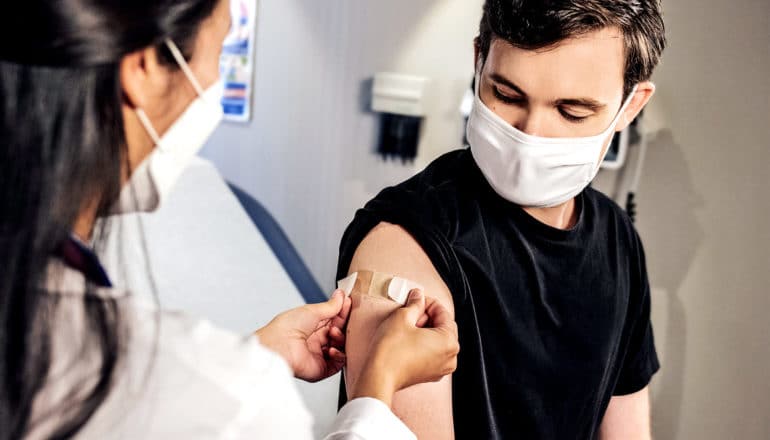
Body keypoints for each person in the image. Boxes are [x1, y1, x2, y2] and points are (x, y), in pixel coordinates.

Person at [0, 1, 459, 439]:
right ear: (141, 68)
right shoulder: (235, 401)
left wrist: (257, 353)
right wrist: (376, 389)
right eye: (221, 50)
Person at [337, 1, 667, 439]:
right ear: (479, 61)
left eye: (572, 111)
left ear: (631, 105)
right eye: (507, 95)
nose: (530, 135)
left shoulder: (619, 241)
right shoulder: (403, 243)